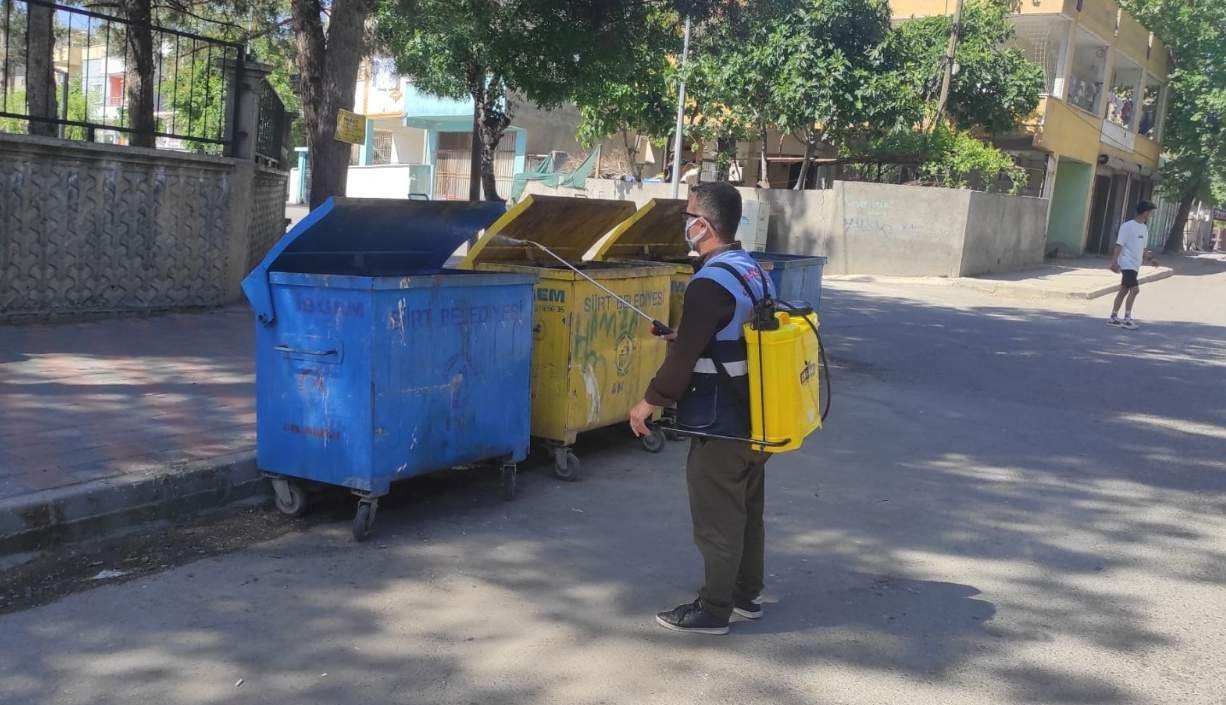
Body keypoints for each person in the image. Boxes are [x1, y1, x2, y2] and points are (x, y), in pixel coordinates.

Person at [629, 182, 773, 636]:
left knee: (717, 517)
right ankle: (747, 596)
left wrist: (647, 404)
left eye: (689, 214)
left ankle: (714, 610)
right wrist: (688, 333)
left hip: (721, 422)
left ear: (704, 225)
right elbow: (729, 334)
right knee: (747, 510)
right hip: (760, 412)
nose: (684, 222)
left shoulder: (709, 282)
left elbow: (681, 363)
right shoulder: (751, 270)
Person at [1109, 200, 1157, 329]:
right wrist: (1114, 262)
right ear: (1145, 212)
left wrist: (1150, 259)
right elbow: (1119, 244)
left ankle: (1113, 317)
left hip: (1136, 264)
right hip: (1126, 262)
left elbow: (1143, 249)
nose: (1151, 215)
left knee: (1124, 290)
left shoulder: (1144, 228)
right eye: (1150, 213)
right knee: (1135, 290)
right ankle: (1127, 319)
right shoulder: (1127, 226)